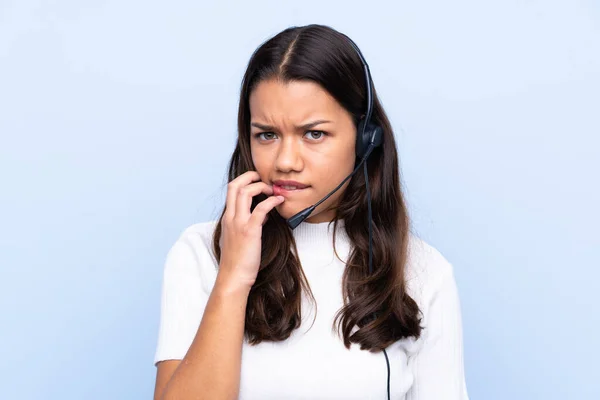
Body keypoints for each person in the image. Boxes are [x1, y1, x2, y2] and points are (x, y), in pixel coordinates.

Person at [153, 24, 469, 400]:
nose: (286, 161)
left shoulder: (422, 272)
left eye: (314, 134)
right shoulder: (201, 253)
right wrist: (233, 277)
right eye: (266, 135)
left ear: (366, 140)